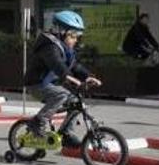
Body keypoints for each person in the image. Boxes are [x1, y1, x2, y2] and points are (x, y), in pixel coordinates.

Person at [24, 10, 102, 148]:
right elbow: (56, 64)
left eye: (78, 36)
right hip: (36, 84)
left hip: (50, 84)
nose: (76, 39)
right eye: (73, 35)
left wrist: (89, 76)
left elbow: (75, 66)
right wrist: (68, 77)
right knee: (62, 94)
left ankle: (66, 133)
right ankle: (38, 121)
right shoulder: (49, 46)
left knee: (75, 101)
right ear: (61, 31)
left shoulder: (66, 49)